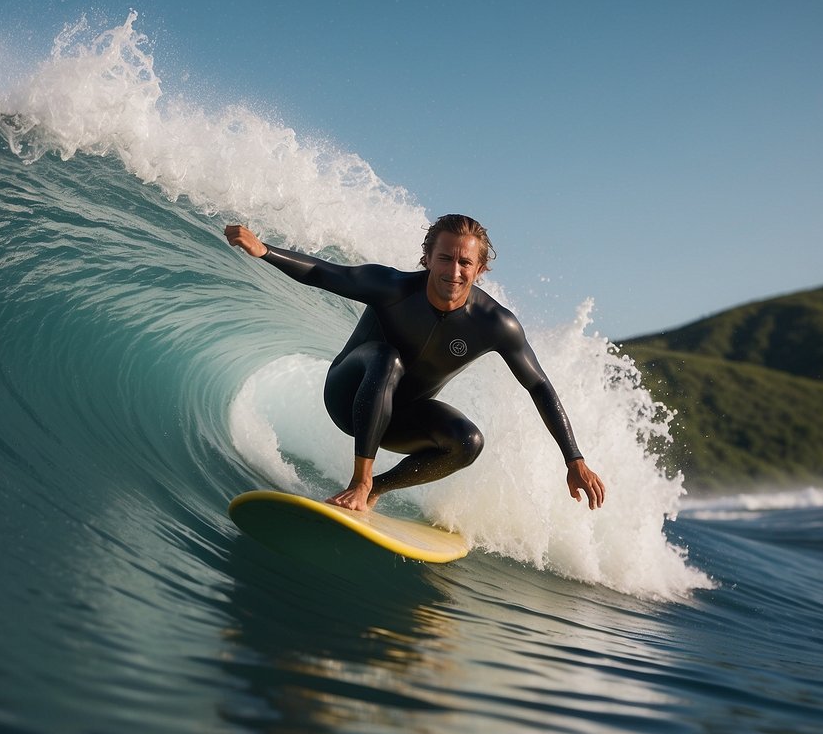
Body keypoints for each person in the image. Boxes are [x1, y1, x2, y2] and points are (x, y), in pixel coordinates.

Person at [224, 214, 606, 512]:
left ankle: (376, 489)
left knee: (468, 442)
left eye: (465, 262)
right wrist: (265, 250)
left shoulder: (495, 324)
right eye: (445, 258)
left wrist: (573, 458)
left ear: (480, 269)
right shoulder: (394, 288)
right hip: (346, 396)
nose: (453, 271)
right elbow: (325, 273)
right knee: (387, 358)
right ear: (427, 259)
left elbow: (538, 385)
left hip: (398, 420)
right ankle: (360, 481)